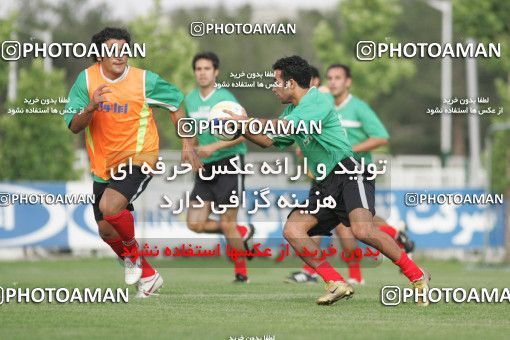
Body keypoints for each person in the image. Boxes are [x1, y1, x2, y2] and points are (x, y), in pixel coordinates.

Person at [223, 55, 430, 305]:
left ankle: (417, 276)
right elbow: (268, 140)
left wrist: (247, 123)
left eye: (276, 81)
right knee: (293, 229)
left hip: (349, 172)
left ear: (290, 83)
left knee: (362, 230)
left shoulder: (317, 99)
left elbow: (283, 128)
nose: (273, 87)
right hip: (325, 182)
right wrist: (243, 129)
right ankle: (336, 282)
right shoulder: (291, 110)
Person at [64, 27, 202, 298]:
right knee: (105, 230)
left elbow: (175, 101)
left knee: (110, 205)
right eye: (113, 50)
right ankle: (148, 275)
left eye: (124, 49)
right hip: (104, 165)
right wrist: (91, 107)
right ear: (98, 55)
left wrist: (187, 141)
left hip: (141, 156)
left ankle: (133, 258)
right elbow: (74, 126)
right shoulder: (86, 81)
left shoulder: (143, 80)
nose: (120, 55)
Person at [286, 64, 415, 285]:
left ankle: (351, 275)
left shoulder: (358, 108)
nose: (333, 82)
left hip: (353, 172)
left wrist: (348, 150)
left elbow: (381, 137)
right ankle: (392, 234)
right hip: (327, 175)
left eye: (338, 78)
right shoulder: (320, 106)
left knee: (353, 228)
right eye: (330, 78)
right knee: (331, 224)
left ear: (348, 82)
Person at [184, 52, 255, 283]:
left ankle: (241, 272)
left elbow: (245, 133)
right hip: (205, 167)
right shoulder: (191, 99)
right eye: (198, 69)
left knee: (227, 221)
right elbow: (190, 133)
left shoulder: (226, 99)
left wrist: (214, 146)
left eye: (206, 68)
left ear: (216, 72)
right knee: (195, 224)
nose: (202, 72)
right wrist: (190, 151)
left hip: (230, 164)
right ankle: (240, 233)